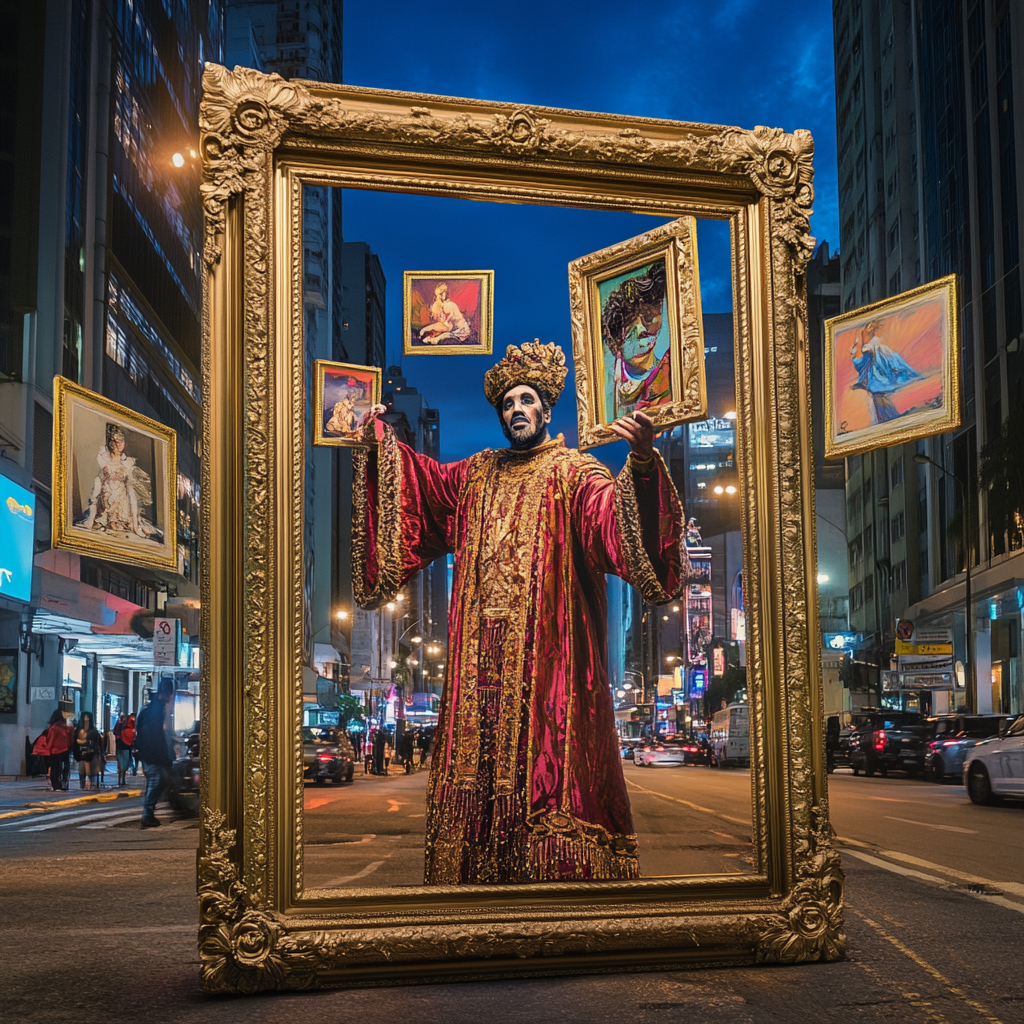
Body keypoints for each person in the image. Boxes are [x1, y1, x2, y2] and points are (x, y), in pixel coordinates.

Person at [352, 340, 686, 884]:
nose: (516, 410)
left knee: (544, 768)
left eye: (526, 400)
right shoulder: (476, 475)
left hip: (549, 670)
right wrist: (378, 438)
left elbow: (613, 523)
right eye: (507, 404)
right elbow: (421, 486)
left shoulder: (576, 475)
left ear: (546, 410)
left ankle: (557, 889)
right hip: (478, 669)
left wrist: (643, 462)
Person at [601, 261, 671, 419]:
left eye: (648, 318)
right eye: (627, 324)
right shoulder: (608, 382)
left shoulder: (668, 374)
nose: (640, 330)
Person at [76, 423, 164, 542]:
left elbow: (130, 487)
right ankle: (106, 520)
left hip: (122, 498)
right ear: (110, 442)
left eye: (121, 442)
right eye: (115, 441)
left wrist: (134, 515)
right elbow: (99, 481)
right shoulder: (103, 458)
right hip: (107, 494)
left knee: (126, 502)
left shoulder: (127, 462)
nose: (119, 445)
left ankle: (122, 522)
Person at [850, 319, 922, 424]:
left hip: (876, 381)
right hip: (877, 380)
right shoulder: (878, 346)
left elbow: (863, 362)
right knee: (880, 400)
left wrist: (854, 354)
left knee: (879, 401)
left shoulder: (872, 347)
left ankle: (887, 420)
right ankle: (887, 419)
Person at [134, 680, 174, 827]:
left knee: (159, 780)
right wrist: (161, 754)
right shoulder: (155, 710)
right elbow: (153, 734)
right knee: (157, 780)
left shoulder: (153, 708)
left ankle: (149, 813)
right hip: (152, 753)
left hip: (152, 752)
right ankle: (147, 814)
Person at [35, 709, 73, 791]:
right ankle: (64, 784)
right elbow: (70, 740)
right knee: (65, 768)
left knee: (55, 768)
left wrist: (48, 750)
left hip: (55, 750)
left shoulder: (53, 728)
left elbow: (51, 740)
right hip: (65, 750)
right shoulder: (66, 728)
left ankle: (56, 784)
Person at [72, 712, 103, 790]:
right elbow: (75, 741)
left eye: (88, 717)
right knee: (82, 768)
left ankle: (92, 783)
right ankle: (83, 784)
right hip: (82, 752)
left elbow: (96, 741)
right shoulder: (79, 730)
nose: (86, 719)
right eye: (85, 717)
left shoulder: (93, 730)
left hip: (92, 753)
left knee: (92, 769)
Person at [113, 712, 133, 786]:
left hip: (121, 746)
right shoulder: (126, 726)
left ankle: (121, 779)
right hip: (125, 747)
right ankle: (122, 779)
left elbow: (114, 732)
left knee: (121, 763)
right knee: (124, 763)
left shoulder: (119, 725)